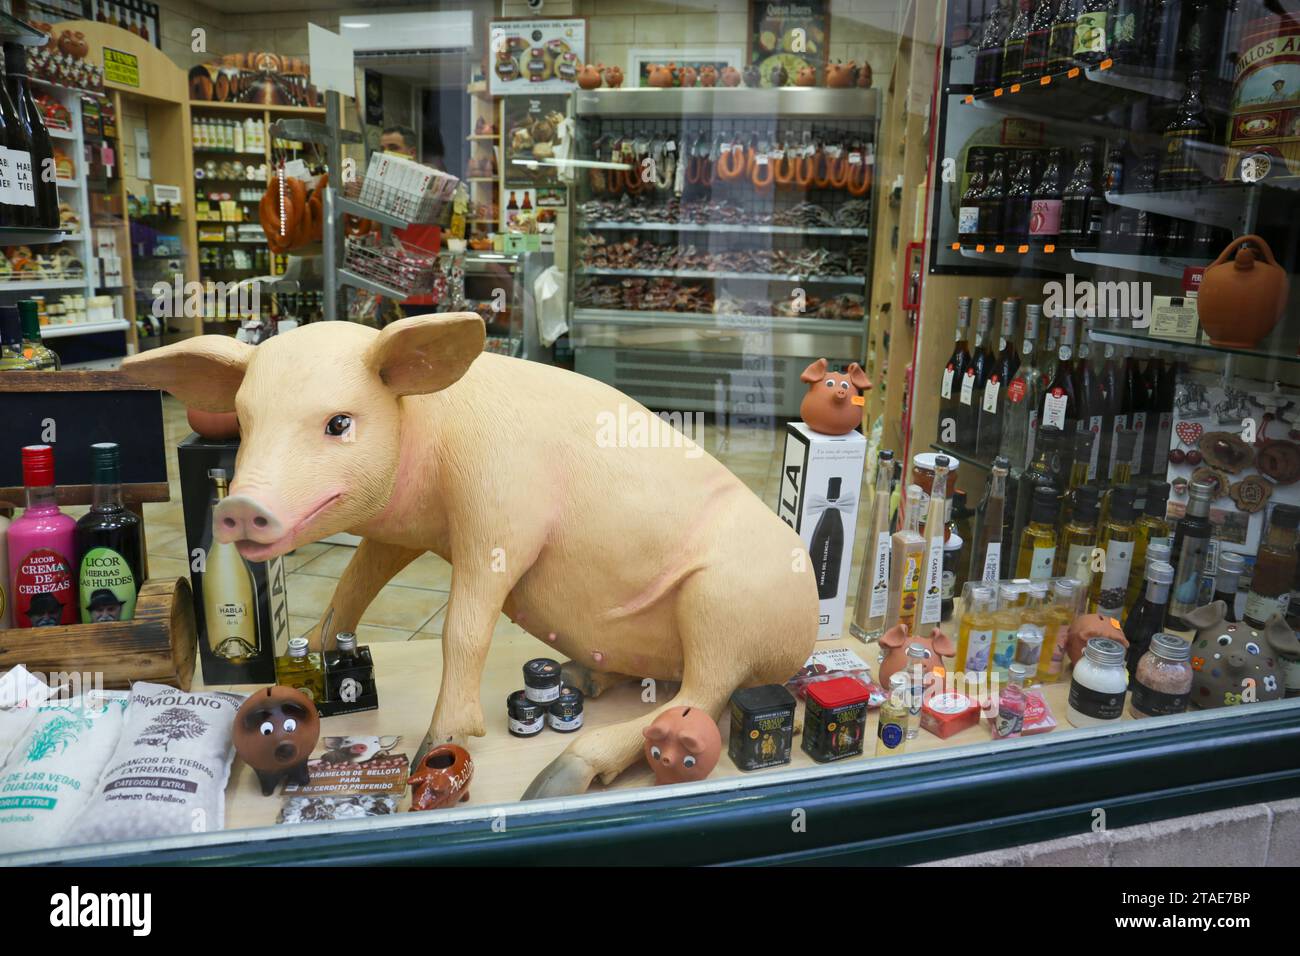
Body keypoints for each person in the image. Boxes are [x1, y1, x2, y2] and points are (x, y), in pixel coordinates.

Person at [379, 124, 442, 317]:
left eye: (393, 148)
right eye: (382, 149)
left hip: (417, 291)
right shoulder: (382, 184)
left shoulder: (428, 183)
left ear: (411, 152)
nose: (386, 154)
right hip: (387, 287)